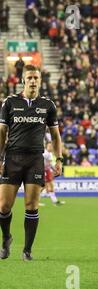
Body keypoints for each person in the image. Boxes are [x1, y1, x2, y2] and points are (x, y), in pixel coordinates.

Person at [0, 64, 63, 260]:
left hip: (35, 158)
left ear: (40, 81)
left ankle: (27, 250)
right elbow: (2, 133)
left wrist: (58, 159)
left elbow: (55, 136)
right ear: (23, 80)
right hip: (12, 158)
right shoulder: (9, 102)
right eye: (30, 78)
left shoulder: (48, 105)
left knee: (31, 205)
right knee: (3, 206)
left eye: (36, 78)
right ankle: (6, 238)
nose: (33, 81)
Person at [42, 142, 65, 206]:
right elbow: (49, 164)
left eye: (51, 146)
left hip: (47, 170)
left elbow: (49, 164)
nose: (51, 147)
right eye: (49, 146)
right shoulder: (46, 154)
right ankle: (36, 201)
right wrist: (56, 170)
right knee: (44, 187)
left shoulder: (49, 154)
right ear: (46, 147)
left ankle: (55, 201)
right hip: (44, 171)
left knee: (49, 186)